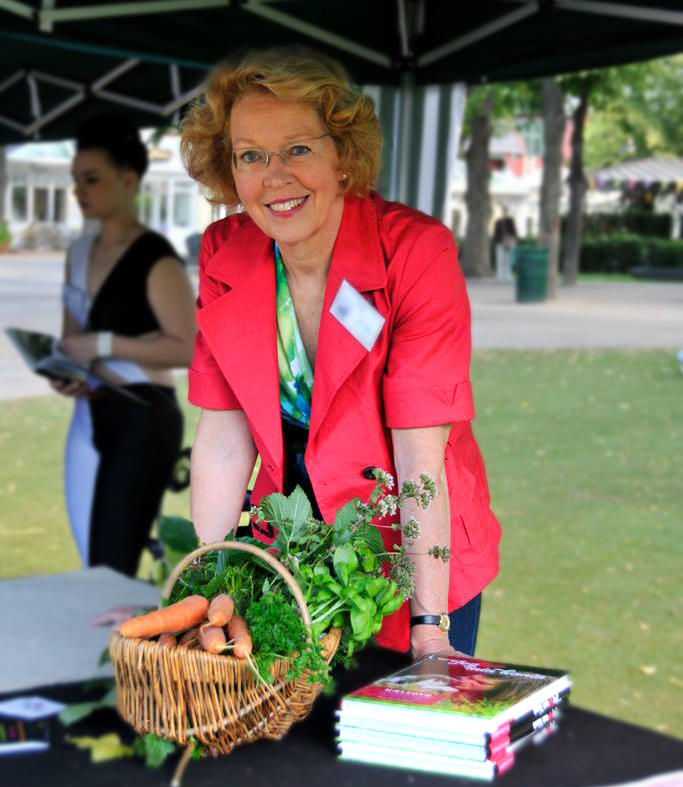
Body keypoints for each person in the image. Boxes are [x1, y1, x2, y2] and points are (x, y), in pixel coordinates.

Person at [180, 50, 501, 661]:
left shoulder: (414, 253)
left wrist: (429, 626)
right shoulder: (226, 253)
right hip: (291, 546)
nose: (274, 176)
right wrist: (211, 587)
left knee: (399, 739)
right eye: (252, 155)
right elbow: (224, 437)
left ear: (344, 157)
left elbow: (421, 457)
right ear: (230, 171)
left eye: (298, 149)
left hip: (410, 547)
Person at [52, 113, 197, 577]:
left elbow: (188, 348)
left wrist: (106, 343)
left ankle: (124, 649)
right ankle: (97, 645)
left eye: (91, 179)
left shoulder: (155, 258)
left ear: (128, 179)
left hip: (142, 417)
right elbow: (71, 341)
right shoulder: (77, 253)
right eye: (76, 180)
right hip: (88, 414)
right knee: (89, 558)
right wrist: (65, 370)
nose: (80, 191)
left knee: (112, 560)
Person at [493, 205, 518, 282]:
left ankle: (507, 276)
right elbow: (496, 233)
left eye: (505, 210)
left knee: (508, 259)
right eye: (503, 210)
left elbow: (513, 232)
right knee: (500, 259)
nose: (504, 212)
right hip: (500, 242)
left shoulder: (510, 221)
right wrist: (495, 242)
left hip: (508, 243)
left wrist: (514, 241)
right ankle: (500, 276)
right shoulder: (498, 221)